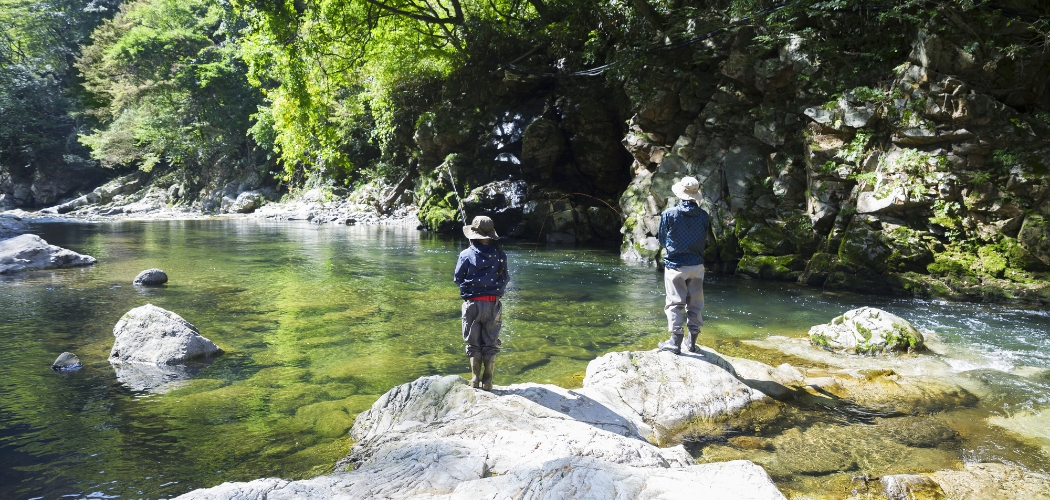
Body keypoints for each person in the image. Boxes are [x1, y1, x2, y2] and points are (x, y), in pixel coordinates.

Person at [454, 216, 510, 390]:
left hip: (471, 304)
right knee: (490, 344)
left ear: (473, 234)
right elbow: (505, 279)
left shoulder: (465, 254)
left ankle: (474, 379)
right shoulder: (500, 254)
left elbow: (457, 279)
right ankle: (488, 381)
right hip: (492, 304)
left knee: (473, 343)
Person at [657, 176, 711, 355]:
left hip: (676, 266)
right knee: (695, 304)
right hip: (697, 266)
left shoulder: (669, 214)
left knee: (674, 304)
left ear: (680, 194)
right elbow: (705, 239)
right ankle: (692, 343)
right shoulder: (704, 216)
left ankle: (675, 343)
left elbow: (662, 240)